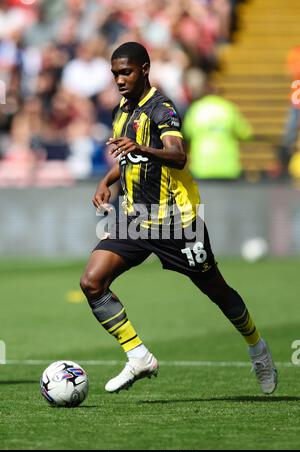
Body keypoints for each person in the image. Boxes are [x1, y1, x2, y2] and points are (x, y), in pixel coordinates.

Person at [80, 42, 277, 395]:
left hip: (176, 221)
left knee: (216, 290)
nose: (119, 80)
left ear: (144, 69)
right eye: (114, 74)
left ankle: (257, 348)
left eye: (125, 72)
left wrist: (141, 148)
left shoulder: (163, 108)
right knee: (92, 282)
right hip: (135, 218)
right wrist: (105, 181)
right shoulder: (122, 110)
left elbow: (177, 155)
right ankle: (138, 355)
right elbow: (126, 159)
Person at [182, 84, 252, 180]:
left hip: (202, 168)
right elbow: (245, 134)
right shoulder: (229, 108)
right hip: (228, 169)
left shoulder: (196, 109)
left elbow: (187, 133)